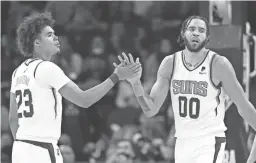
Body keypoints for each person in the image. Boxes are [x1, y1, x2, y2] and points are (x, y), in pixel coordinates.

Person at [120, 15, 256, 163]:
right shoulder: (169, 64)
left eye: (201, 30)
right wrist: (135, 84)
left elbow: (244, 107)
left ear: (207, 37)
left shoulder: (219, 65)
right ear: (183, 34)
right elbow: (150, 110)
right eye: (192, 29)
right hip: (183, 144)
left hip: (210, 144)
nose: (196, 33)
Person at [9, 12, 141, 163]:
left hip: (20, 149)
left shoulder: (17, 72)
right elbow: (84, 100)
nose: (56, 38)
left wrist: (23, 145)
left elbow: (13, 119)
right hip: (42, 149)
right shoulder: (47, 67)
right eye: (49, 35)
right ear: (37, 42)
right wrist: (116, 76)